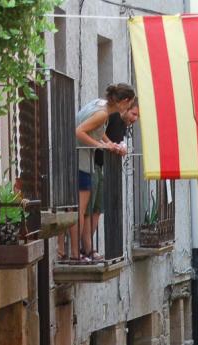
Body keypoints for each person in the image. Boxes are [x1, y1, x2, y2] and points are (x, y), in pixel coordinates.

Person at [69, 82, 135, 262]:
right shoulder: (102, 113)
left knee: (80, 209)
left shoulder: (100, 105)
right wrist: (101, 146)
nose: (129, 108)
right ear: (125, 101)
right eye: (130, 105)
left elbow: (96, 131)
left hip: (79, 161)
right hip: (81, 162)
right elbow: (79, 132)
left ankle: (77, 252)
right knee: (80, 210)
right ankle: (75, 254)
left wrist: (108, 143)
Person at [87, 98, 139, 249]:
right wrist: (110, 145)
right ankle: (87, 249)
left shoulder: (123, 123)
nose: (135, 119)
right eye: (133, 114)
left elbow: (117, 141)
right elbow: (99, 132)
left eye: (137, 116)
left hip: (102, 166)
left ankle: (88, 249)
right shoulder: (112, 116)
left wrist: (120, 147)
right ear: (125, 107)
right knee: (89, 210)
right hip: (92, 163)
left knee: (98, 209)